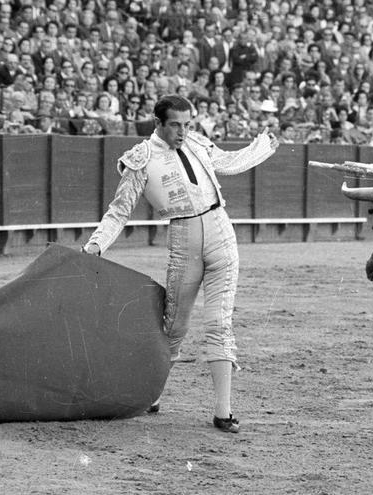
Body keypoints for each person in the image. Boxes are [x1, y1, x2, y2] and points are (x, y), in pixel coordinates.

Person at [81, 94, 279, 433]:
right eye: (175, 125)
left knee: (220, 323)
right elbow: (119, 210)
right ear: (158, 123)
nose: (183, 132)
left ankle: (223, 411)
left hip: (221, 232)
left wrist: (262, 146)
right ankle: (152, 394)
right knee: (174, 327)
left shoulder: (199, 143)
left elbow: (228, 162)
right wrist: (96, 245)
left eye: (187, 124)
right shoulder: (140, 159)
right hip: (183, 238)